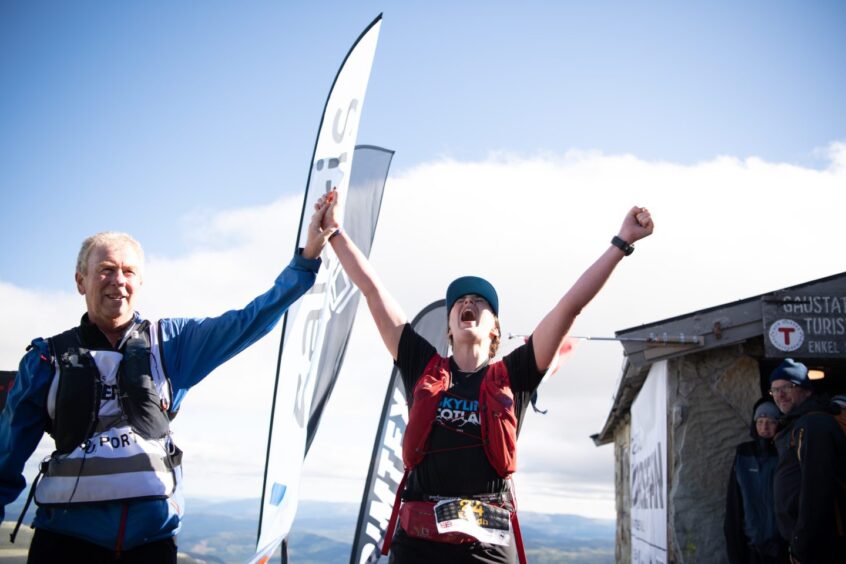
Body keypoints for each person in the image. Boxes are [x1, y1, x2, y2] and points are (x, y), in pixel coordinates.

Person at [318, 188, 653, 563]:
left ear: (495, 329)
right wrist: (334, 232)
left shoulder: (516, 374)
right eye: (459, 300)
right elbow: (372, 291)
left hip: (487, 546)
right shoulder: (421, 365)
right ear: (449, 327)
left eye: (480, 301)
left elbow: (570, 306)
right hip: (419, 543)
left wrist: (622, 242)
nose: (467, 303)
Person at [0, 200, 337, 563]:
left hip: (151, 544)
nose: (118, 281)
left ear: (140, 281)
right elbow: (6, 456)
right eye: (106, 270)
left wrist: (307, 258)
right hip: (65, 544)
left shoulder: (173, 345)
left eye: (128, 271)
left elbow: (249, 320)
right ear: (80, 281)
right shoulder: (45, 360)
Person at [769, 358, 846, 564]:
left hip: (822, 544)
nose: (780, 395)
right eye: (775, 390)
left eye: (787, 387)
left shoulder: (813, 424)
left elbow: (816, 489)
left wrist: (801, 544)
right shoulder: (796, 424)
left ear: (806, 390)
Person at [724, 398, 788, 563]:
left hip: (781, 547)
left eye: (770, 422)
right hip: (750, 546)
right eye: (760, 422)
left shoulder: (786, 453)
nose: (764, 427)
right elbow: (734, 502)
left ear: (779, 423)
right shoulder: (744, 453)